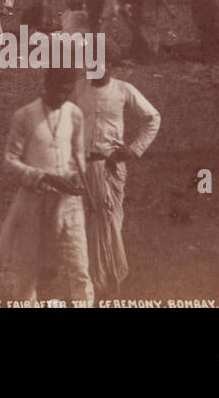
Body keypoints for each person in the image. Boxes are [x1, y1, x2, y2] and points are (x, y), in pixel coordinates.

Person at [0, 67, 94, 306]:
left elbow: (78, 159)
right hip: (33, 204)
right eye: (58, 92)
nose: (62, 98)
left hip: (68, 205)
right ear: (45, 86)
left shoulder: (75, 115)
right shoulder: (25, 116)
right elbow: (9, 163)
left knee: (79, 267)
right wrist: (44, 178)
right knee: (27, 272)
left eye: (67, 93)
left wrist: (76, 178)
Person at [74, 71, 161, 298]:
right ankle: (93, 281)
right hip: (82, 167)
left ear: (110, 64)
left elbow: (153, 117)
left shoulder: (124, 89)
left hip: (111, 167)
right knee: (87, 222)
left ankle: (112, 281)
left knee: (110, 219)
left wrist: (134, 149)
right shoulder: (78, 89)